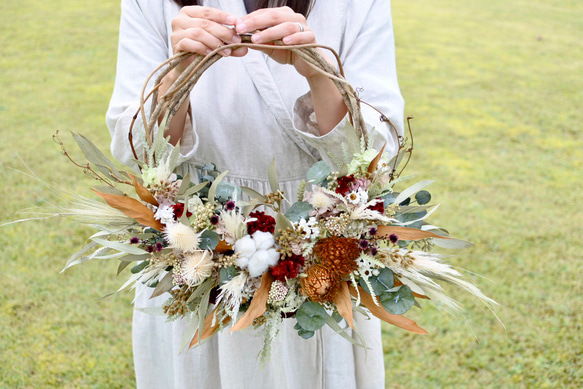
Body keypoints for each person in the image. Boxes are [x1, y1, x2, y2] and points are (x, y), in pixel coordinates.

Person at [106, 1, 404, 388]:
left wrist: (318, 72)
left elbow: (373, 154)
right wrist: (178, 70)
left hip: (320, 251)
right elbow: (141, 154)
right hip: (195, 249)